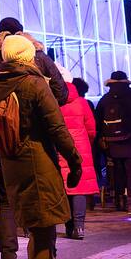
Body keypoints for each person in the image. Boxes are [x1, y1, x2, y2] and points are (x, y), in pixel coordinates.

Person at [0, 35, 82, 259]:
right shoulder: (34, 83)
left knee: (42, 224)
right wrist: (75, 161)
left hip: (11, 162)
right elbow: (56, 128)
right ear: (27, 57)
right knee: (42, 226)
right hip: (37, 161)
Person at [95, 71, 131, 213]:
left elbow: (98, 120)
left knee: (117, 171)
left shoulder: (105, 99)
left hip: (112, 142)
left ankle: (120, 200)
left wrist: (103, 135)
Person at [58, 68, 97, 240]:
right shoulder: (82, 102)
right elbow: (91, 129)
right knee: (78, 187)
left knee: (65, 187)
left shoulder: (52, 102)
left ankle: (69, 227)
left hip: (59, 148)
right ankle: (79, 227)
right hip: (80, 148)